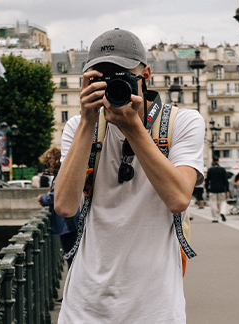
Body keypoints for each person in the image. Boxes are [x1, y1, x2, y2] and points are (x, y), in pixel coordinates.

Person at [54, 28, 204, 323]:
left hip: (154, 307)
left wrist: (133, 128)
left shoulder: (183, 122)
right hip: (84, 307)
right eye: (101, 78)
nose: (112, 85)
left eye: (121, 75)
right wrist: (87, 121)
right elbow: (64, 206)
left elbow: (178, 198)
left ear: (145, 75)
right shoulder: (78, 127)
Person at [37, 147, 80, 268]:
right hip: (71, 220)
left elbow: (55, 197)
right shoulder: (64, 172)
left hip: (67, 223)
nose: (47, 168)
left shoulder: (61, 175)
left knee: (70, 255)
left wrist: (42, 199)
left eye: (47, 165)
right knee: (74, 255)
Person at [205, 157, 229, 222]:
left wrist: (207, 190)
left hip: (213, 189)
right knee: (223, 202)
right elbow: (225, 180)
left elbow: (207, 181)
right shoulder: (222, 169)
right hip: (221, 189)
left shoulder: (210, 170)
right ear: (218, 161)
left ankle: (215, 218)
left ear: (213, 161)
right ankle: (222, 212)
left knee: (213, 203)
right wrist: (227, 190)